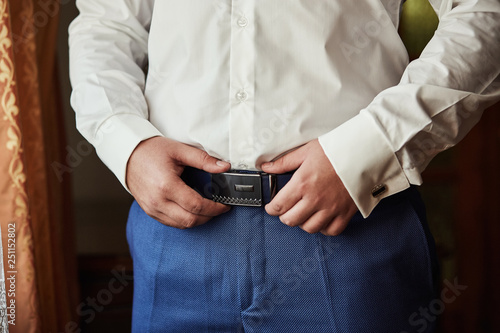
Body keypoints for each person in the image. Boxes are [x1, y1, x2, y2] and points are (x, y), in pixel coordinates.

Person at [69, 0, 500, 332]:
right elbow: (106, 23)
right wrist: (127, 141)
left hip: (351, 229)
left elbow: (485, 13)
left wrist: (371, 147)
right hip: (175, 227)